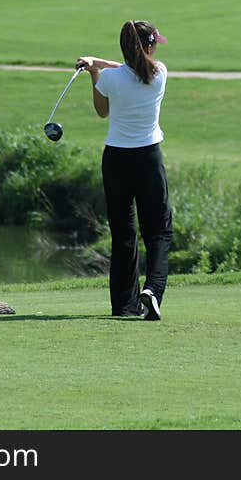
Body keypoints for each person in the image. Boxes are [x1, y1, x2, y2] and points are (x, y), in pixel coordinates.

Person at [76, 19, 172, 321]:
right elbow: (132, 68)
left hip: (116, 161)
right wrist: (99, 64)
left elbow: (102, 111)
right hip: (148, 160)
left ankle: (124, 305)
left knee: (123, 234)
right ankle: (153, 291)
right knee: (157, 231)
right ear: (150, 46)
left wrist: (94, 72)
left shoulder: (110, 79)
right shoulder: (160, 73)